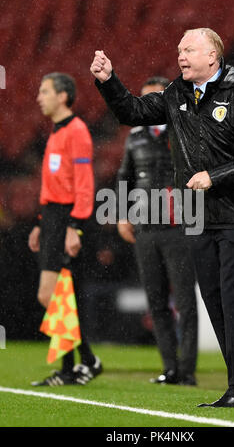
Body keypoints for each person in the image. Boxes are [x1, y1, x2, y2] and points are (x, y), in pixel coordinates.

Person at [90, 27, 234, 408]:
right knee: (214, 299)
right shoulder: (177, 94)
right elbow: (133, 112)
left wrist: (214, 176)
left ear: (213, 56)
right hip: (200, 215)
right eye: (179, 50)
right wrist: (109, 81)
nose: (181, 55)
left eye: (189, 49)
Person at [116, 76, 198, 386]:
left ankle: (187, 371)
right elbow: (125, 176)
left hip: (180, 226)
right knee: (156, 300)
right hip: (146, 228)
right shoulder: (135, 135)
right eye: (144, 101)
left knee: (186, 301)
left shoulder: (186, 129)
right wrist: (122, 215)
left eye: (154, 99)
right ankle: (170, 368)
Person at [28, 72, 102, 386]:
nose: (38, 97)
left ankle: (75, 365)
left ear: (62, 96)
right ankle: (83, 361)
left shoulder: (77, 131)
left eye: (45, 91)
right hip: (53, 218)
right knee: (54, 297)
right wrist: (41, 224)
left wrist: (75, 227)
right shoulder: (56, 133)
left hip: (68, 218)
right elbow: (55, 184)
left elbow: (85, 185)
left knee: (55, 296)